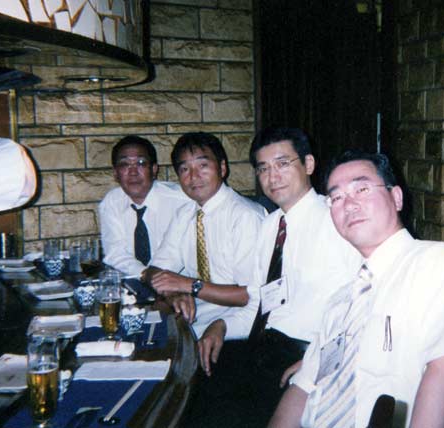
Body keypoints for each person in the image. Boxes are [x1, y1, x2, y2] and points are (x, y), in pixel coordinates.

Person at [270, 150, 444, 428]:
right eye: (336, 197)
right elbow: (305, 384)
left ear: (397, 198)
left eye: (362, 189)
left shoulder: (435, 262)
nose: (349, 204)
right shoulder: (342, 299)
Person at [198, 127, 361, 426]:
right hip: (264, 349)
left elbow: (365, 304)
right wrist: (221, 324)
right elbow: (260, 303)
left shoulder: (337, 220)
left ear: (308, 164)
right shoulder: (270, 225)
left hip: (307, 355)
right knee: (196, 394)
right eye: (263, 168)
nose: (272, 177)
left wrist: (318, 361)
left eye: (283, 164)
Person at [147, 131, 265, 344]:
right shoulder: (185, 214)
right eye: (185, 169)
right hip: (193, 320)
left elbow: (249, 295)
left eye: (203, 166)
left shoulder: (245, 216)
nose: (193, 176)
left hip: (232, 326)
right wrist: (173, 293)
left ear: (222, 168)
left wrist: (189, 285)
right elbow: (153, 271)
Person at [99, 135, 188, 276]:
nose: (133, 172)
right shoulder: (112, 202)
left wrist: (153, 279)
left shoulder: (182, 200)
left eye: (141, 163)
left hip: (181, 282)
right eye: (124, 164)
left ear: (154, 169)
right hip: (136, 280)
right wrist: (145, 275)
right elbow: (115, 253)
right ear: (115, 173)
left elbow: (179, 255)